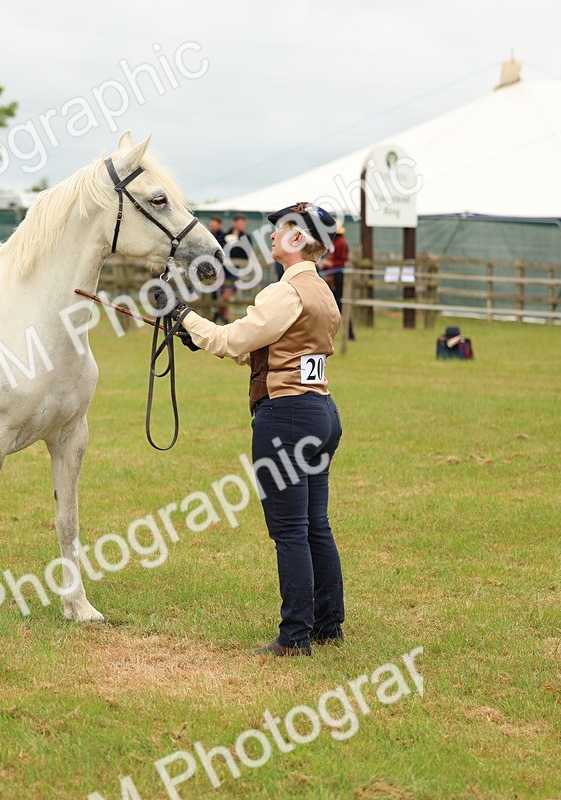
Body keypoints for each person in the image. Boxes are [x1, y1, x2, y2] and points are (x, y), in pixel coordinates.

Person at [155, 201, 344, 657]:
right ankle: (327, 624)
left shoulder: (285, 292)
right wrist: (198, 335)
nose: (273, 236)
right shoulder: (322, 291)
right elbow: (270, 348)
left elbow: (233, 339)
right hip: (321, 412)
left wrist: (182, 316)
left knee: (290, 531)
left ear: (298, 238)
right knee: (315, 525)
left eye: (280, 230)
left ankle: (295, 636)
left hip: (287, 417)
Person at [319, 226, 354, 341]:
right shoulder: (333, 244)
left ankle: (349, 333)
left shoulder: (341, 243)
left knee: (341, 304)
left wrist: (330, 264)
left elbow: (342, 261)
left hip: (339, 277)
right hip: (332, 277)